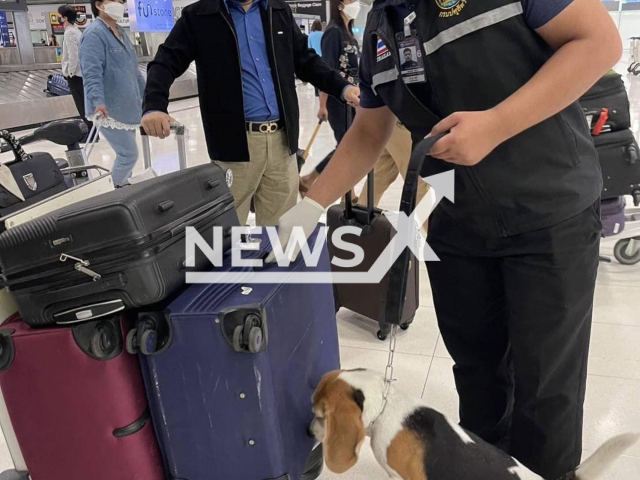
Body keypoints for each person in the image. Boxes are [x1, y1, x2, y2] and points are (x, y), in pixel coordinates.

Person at [269, 0, 621, 478]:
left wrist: (497, 124)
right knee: (478, 380)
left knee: (546, 391)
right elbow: (372, 129)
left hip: (548, 212)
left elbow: (599, 41)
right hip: (458, 227)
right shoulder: (381, 26)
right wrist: (313, 204)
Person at [141, 0, 359, 227]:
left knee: (280, 231)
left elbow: (305, 60)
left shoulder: (277, 10)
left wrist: (343, 88)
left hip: (282, 143)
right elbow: (165, 61)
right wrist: (154, 105)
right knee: (228, 231)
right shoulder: (200, 15)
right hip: (234, 144)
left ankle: (275, 263)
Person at [80, 0, 146, 186]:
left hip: (127, 107)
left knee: (127, 155)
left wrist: (148, 97)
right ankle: (115, 191)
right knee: (128, 154)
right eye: (114, 0)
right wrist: (98, 101)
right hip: (108, 109)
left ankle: (123, 188)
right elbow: (91, 72)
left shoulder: (121, 33)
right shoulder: (94, 34)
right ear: (99, 4)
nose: (119, 4)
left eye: (121, 1)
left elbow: (134, 71)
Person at [58, 5, 93, 139]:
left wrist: (70, 73)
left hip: (76, 75)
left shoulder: (69, 33)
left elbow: (73, 55)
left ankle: (89, 133)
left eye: (60, 16)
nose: (60, 19)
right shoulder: (76, 31)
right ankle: (91, 132)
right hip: (81, 74)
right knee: (85, 104)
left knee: (82, 105)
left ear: (65, 18)